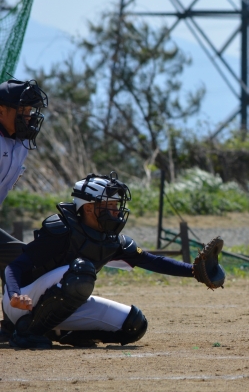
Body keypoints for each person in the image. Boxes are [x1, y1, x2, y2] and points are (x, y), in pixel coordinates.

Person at [2, 172, 220, 349]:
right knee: (81, 271)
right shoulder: (62, 231)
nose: (117, 211)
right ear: (89, 208)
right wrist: (14, 295)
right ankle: (26, 333)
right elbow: (15, 266)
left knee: (134, 324)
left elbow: (152, 261)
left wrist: (195, 272)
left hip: (60, 307)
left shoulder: (111, 240)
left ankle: (62, 333)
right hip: (22, 304)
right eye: (111, 206)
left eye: (117, 206)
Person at [0, 79, 49, 342]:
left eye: (30, 111)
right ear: (1, 110)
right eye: (22, 111)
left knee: (18, 257)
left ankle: (11, 325)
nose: (28, 117)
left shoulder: (20, 145)